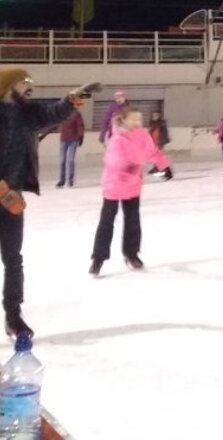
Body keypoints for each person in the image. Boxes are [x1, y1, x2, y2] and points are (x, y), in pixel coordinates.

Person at [0, 69, 98, 336]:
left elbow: (54, 113)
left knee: (12, 257)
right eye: (24, 81)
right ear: (10, 84)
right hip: (3, 193)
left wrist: (79, 97)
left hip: (12, 198)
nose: (29, 84)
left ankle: (13, 315)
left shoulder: (26, 112)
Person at [89, 105, 174, 277]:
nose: (137, 122)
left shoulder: (143, 135)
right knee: (107, 222)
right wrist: (133, 167)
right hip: (113, 184)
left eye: (139, 119)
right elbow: (113, 161)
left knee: (133, 220)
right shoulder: (116, 138)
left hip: (133, 185)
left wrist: (164, 166)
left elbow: (153, 151)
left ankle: (131, 253)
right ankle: (98, 258)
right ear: (124, 120)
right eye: (133, 119)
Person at [56, 110, 85, 189]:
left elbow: (80, 126)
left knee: (70, 160)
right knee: (62, 160)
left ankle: (70, 181)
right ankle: (62, 181)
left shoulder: (76, 114)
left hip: (73, 140)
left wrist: (80, 137)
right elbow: (56, 123)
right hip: (63, 140)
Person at [148, 109, 173, 180]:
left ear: (159, 116)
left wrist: (163, 141)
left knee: (159, 156)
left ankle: (162, 170)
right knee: (155, 156)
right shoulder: (153, 123)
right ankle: (156, 168)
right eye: (153, 115)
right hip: (153, 142)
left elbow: (165, 133)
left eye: (156, 115)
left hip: (159, 142)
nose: (154, 117)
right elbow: (150, 132)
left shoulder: (162, 123)